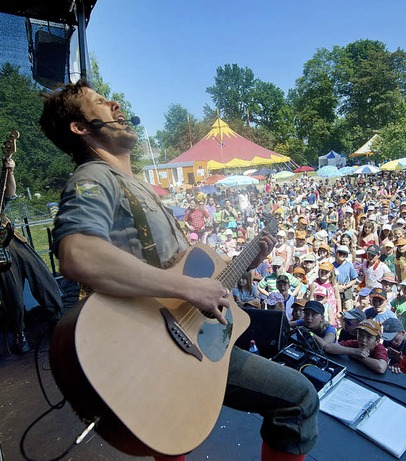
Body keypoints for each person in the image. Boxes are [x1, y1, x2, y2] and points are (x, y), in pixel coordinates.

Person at [42, 82, 317, 461]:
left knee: (170, 427)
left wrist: (244, 264)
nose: (116, 103)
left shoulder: (135, 185)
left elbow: (185, 273)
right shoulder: (95, 177)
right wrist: (190, 289)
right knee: (299, 399)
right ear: (80, 127)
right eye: (101, 103)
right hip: (162, 336)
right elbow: (79, 255)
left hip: (177, 339)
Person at [0, 156, 63, 353]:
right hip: (0, 252)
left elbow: (9, 193)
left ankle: (57, 321)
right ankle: (20, 333)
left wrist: (9, 172)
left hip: (14, 240)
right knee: (14, 298)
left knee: (44, 280)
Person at [322, 319, 389, 374]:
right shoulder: (355, 343)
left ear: (377, 341)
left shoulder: (379, 349)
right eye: (361, 335)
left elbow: (381, 367)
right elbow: (327, 347)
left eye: (369, 337)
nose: (363, 340)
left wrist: (359, 357)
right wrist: (353, 351)